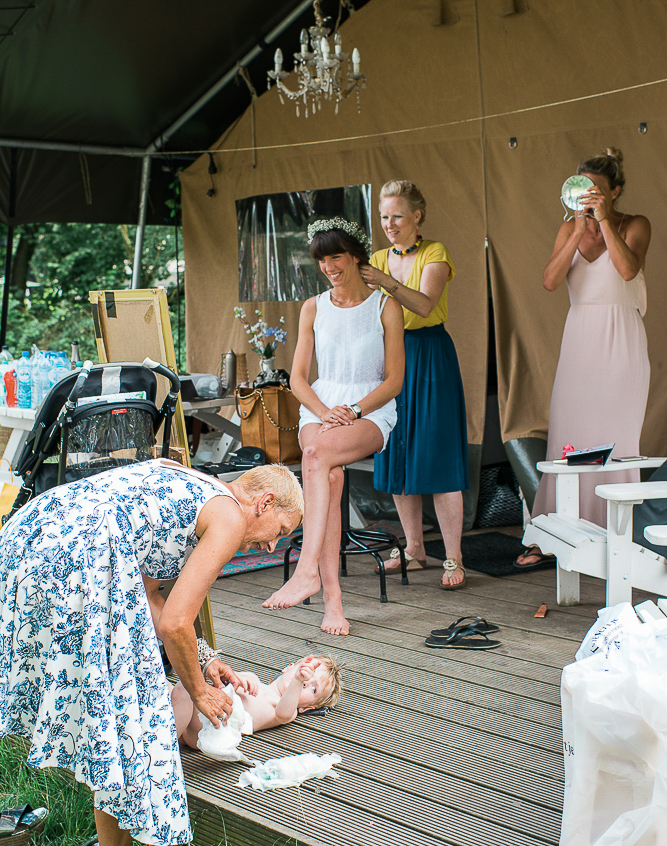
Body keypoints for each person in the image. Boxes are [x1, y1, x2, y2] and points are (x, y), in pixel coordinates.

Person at [0, 458, 303, 846]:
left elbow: (148, 594)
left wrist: (206, 657)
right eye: (280, 530)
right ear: (265, 501)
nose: (272, 545)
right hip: (75, 558)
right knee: (133, 715)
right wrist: (199, 691)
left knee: (113, 714)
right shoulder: (229, 517)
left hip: (29, 541)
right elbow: (174, 624)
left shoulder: (193, 485)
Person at [263, 217, 405, 634]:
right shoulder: (313, 307)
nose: (329, 266)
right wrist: (325, 411)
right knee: (329, 471)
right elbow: (298, 379)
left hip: (371, 409)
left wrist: (356, 410)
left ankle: (307, 572)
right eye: (322, 259)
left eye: (336, 256)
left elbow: (394, 380)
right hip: (320, 408)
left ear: (356, 256)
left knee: (317, 456)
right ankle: (333, 604)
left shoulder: (385, 305)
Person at [520, 148, 651, 565]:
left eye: (596, 191)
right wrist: (578, 229)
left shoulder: (634, 224)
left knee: (618, 441)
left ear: (615, 190)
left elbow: (628, 270)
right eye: (582, 190)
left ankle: (617, 536)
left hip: (621, 342)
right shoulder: (568, 228)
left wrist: (604, 222)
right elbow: (549, 281)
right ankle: (553, 532)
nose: (588, 197)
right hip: (579, 340)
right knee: (568, 437)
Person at [360, 180, 469, 591]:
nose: (389, 224)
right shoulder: (375, 258)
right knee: (398, 448)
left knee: (438, 454)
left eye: (397, 216)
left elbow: (424, 305)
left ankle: (454, 557)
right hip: (391, 357)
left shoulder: (434, 253)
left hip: (430, 355)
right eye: (384, 217)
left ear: (417, 217)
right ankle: (414, 551)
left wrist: (384, 282)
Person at [172, 652, 342, 745]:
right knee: (164, 685)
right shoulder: (252, 678)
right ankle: (163, 736)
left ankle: (164, 750)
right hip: (196, 708)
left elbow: (283, 714)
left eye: (313, 688)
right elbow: (220, 685)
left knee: (184, 685)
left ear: (306, 708)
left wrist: (298, 680)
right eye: (303, 670)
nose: (306, 680)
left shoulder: (285, 709)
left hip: (209, 728)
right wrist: (236, 679)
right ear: (288, 667)